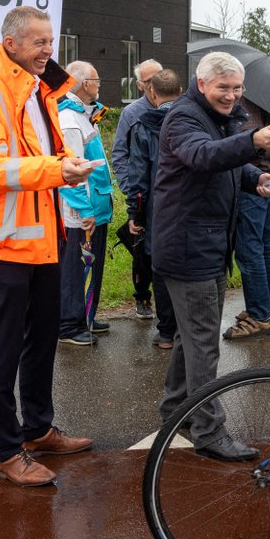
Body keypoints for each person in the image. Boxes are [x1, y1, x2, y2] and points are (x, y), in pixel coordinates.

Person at [0, 5, 93, 487]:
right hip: (3, 244)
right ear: (10, 44)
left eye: (51, 41)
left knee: (42, 338)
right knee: (5, 347)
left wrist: (67, 162)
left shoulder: (40, 90)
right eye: (39, 42)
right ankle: (8, 449)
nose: (48, 50)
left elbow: (42, 153)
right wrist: (59, 170)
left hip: (45, 236)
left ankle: (37, 428)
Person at [151, 52, 270, 460]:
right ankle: (209, 431)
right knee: (204, 343)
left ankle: (177, 410)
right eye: (223, 88)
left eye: (236, 88)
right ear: (202, 83)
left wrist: (255, 177)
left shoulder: (215, 116)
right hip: (189, 246)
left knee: (190, 338)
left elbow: (222, 166)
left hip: (204, 243)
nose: (231, 95)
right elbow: (202, 156)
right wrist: (252, 141)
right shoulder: (184, 117)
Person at [121, 69, 183, 349]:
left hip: (159, 209)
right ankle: (186, 328)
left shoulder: (144, 126)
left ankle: (167, 332)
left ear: (152, 93)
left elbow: (138, 177)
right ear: (180, 91)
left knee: (160, 267)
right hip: (192, 208)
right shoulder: (195, 121)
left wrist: (135, 213)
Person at [56, 61, 114, 346]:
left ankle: (85, 316)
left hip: (94, 207)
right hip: (81, 211)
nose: (99, 83)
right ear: (81, 83)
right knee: (77, 267)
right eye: (96, 78)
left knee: (90, 265)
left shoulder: (86, 114)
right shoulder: (69, 119)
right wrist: (85, 210)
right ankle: (69, 324)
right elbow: (71, 172)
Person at [224, 89, 270, 339]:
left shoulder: (246, 105)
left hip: (255, 180)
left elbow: (241, 145)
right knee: (264, 246)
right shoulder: (268, 97)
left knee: (250, 249)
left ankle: (259, 316)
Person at [111, 59, 164, 320]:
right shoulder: (132, 113)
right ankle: (142, 296)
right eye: (148, 80)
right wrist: (130, 190)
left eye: (158, 78)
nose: (153, 84)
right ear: (140, 84)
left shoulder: (176, 108)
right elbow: (119, 154)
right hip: (142, 193)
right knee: (141, 248)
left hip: (167, 195)